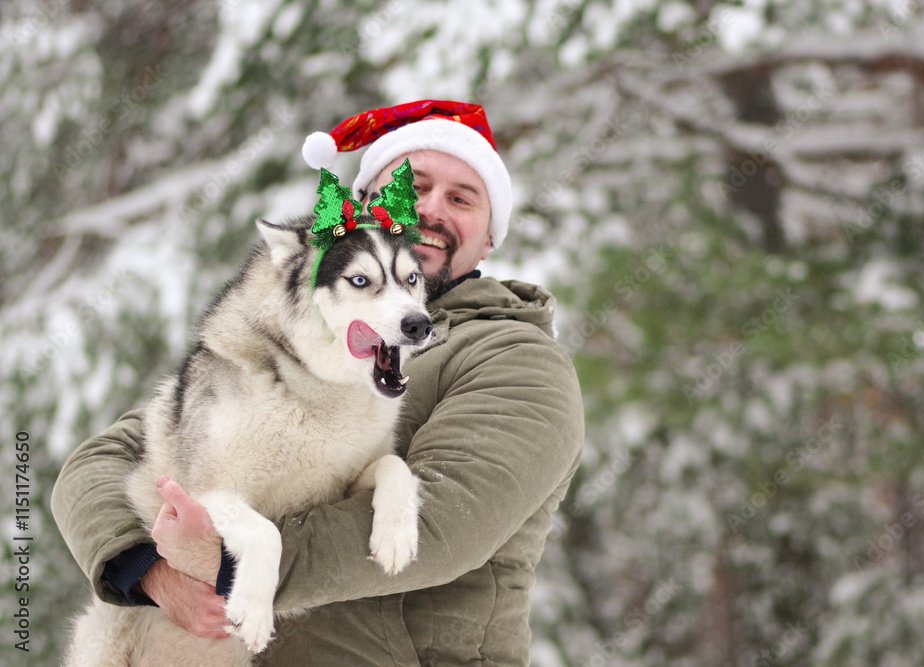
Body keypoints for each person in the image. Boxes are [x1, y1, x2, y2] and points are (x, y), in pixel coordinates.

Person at [52, 100, 585, 665]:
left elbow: (448, 526)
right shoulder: (295, 341)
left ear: (492, 234)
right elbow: (106, 461)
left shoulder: (517, 359)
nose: (429, 210)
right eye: (412, 187)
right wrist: (150, 571)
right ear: (362, 210)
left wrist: (225, 564)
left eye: (462, 198)